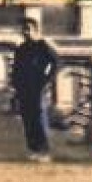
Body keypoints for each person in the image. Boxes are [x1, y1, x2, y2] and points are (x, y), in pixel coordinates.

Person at [11, 16, 60, 162]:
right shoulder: (21, 49)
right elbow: (16, 68)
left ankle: (44, 150)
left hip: (38, 86)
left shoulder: (42, 46)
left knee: (39, 118)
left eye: (29, 29)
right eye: (24, 29)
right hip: (23, 87)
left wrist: (47, 79)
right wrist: (15, 84)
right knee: (28, 119)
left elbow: (56, 62)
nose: (26, 32)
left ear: (36, 30)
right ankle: (33, 148)